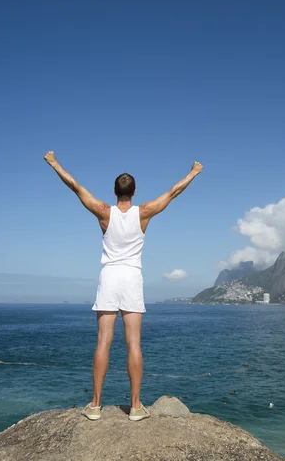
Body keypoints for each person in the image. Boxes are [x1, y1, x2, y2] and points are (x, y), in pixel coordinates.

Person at [44, 151, 203, 421]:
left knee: (103, 342)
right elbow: (174, 192)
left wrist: (54, 163)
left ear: (115, 191)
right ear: (134, 191)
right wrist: (193, 172)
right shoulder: (145, 212)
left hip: (109, 277)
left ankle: (95, 406)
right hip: (131, 278)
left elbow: (75, 186)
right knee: (134, 344)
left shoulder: (104, 212)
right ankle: (136, 407)